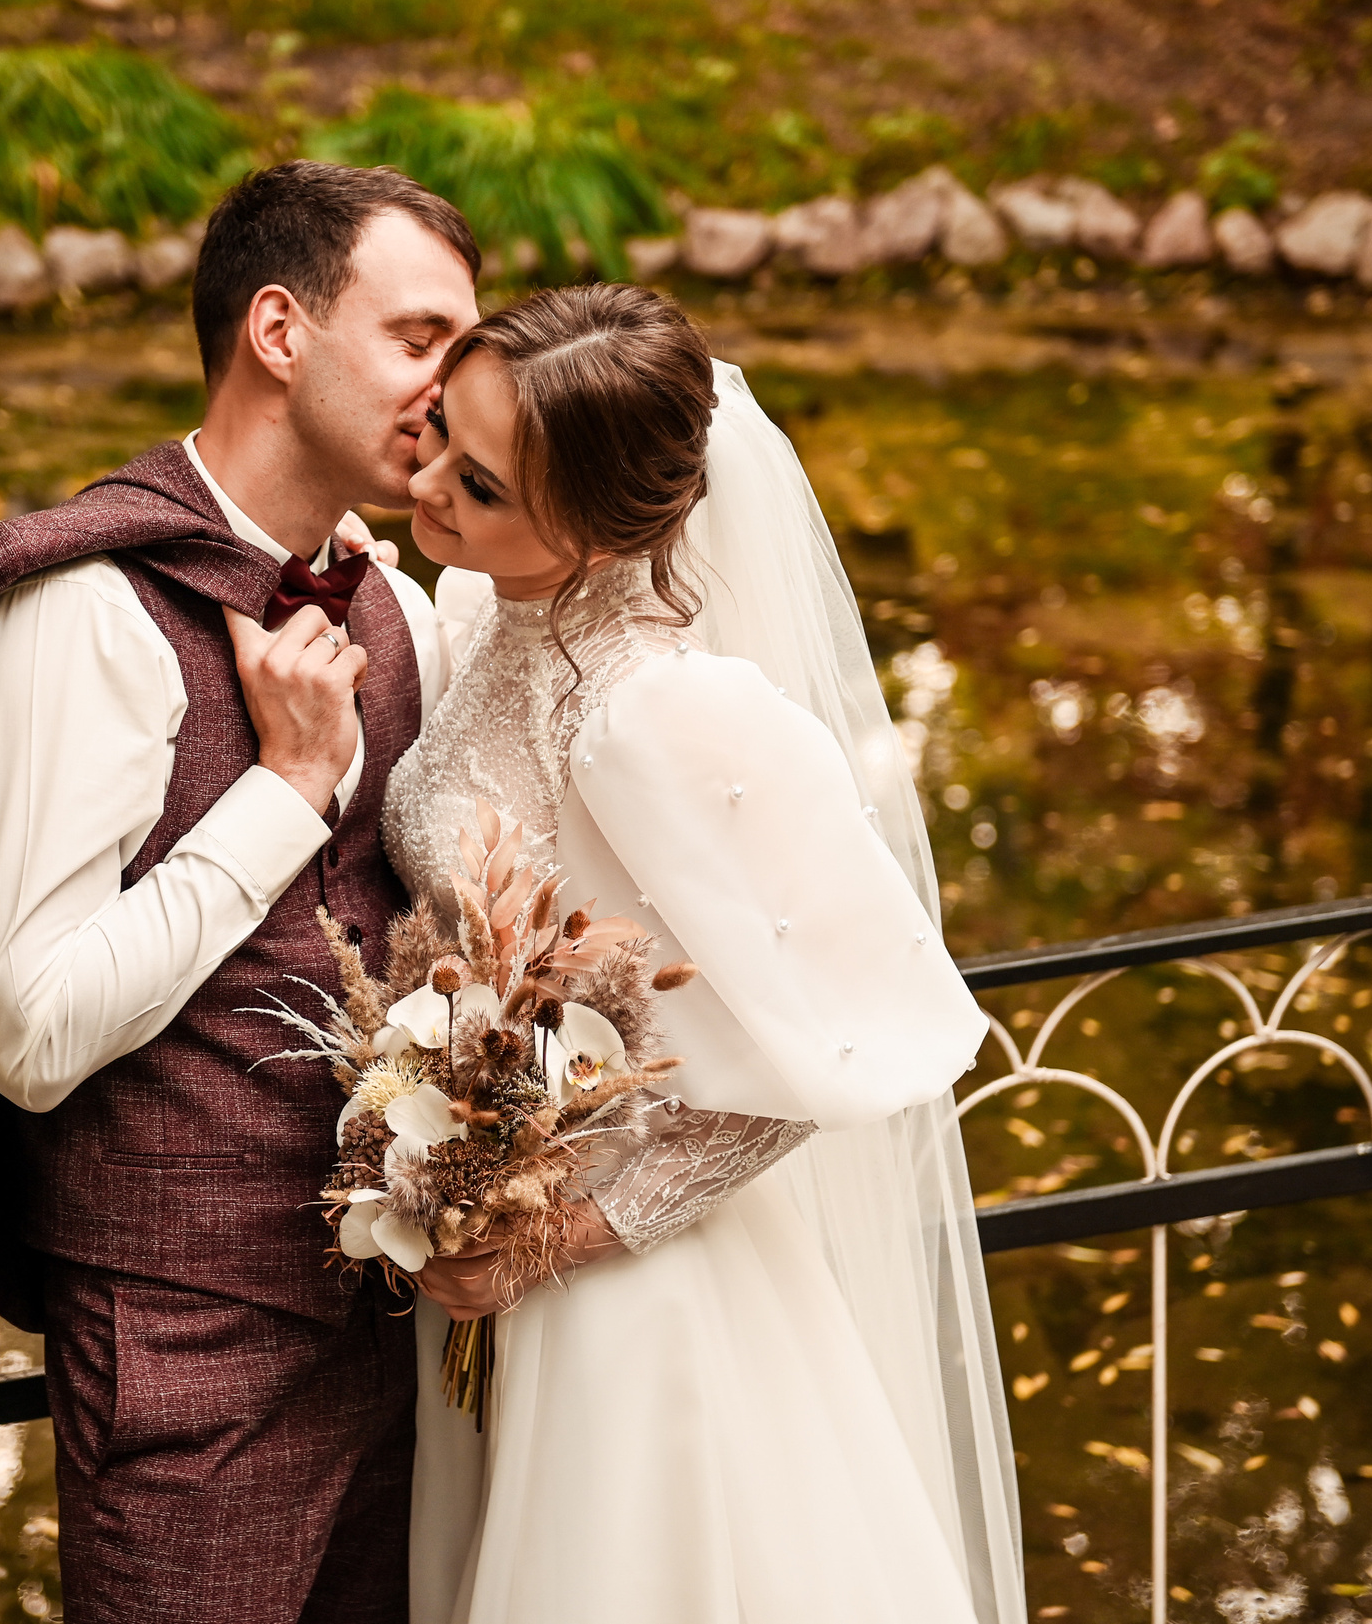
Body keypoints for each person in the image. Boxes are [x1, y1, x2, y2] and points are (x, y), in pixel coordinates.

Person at [0, 160, 480, 1624]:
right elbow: (26, 1031)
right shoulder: (82, 610)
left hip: (414, 1340)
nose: (452, 388)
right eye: (419, 341)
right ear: (279, 331)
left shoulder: (399, 603)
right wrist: (280, 791)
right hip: (181, 1352)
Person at [379, 284, 1025, 1624]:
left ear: (598, 530)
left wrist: (549, 1235)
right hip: (492, 1280)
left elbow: (807, 1077)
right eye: (439, 429)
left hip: (634, 1318)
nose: (429, 479)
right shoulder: (483, 605)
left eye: (478, 481)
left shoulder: (656, 712)